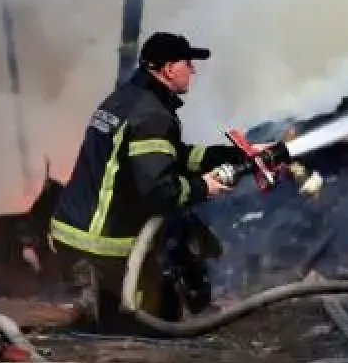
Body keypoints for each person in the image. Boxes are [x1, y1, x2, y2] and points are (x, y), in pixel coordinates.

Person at [49, 32, 255, 332]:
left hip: (71, 232)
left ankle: (102, 306)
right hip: (100, 247)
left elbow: (170, 156)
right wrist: (203, 187)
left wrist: (228, 155)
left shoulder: (126, 98)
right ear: (168, 69)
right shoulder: (152, 116)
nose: (193, 70)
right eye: (187, 63)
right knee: (153, 321)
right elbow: (161, 192)